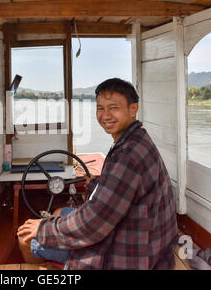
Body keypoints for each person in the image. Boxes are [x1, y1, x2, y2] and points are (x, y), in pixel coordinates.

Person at [17, 78, 178, 269]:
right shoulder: (136, 140)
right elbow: (120, 193)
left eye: (113, 107)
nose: (105, 115)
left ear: (133, 109)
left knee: (26, 236)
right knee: (59, 212)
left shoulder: (128, 156)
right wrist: (95, 184)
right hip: (144, 237)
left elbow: (94, 223)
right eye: (100, 108)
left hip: (127, 254)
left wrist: (43, 229)